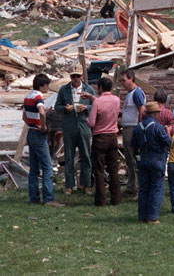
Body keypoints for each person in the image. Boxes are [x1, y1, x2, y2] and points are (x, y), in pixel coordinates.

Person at [23, 74, 64, 207]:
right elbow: (41, 111)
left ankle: (34, 197)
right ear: (43, 85)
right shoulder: (37, 97)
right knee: (47, 167)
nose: (48, 88)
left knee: (34, 168)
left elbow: (24, 116)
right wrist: (43, 126)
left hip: (31, 132)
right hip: (39, 135)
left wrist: (32, 124)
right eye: (47, 85)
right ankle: (48, 198)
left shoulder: (27, 96)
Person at [55, 63, 96, 195]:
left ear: (82, 76)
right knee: (69, 156)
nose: (75, 79)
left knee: (85, 156)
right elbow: (57, 107)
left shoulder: (89, 89)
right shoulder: (64, 90)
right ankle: (69, 185)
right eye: (73, 77)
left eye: (77, 76)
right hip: (69, 127)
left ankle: (86, 184)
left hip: (84, 126)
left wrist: (86, 108)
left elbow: (96, 106)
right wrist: (65, 109)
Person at [131, 101, 172, 223]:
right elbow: (168, 142)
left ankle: (142, 216)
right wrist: (168, 133)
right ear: (155, 114)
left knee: (143, 189)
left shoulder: (138, 127)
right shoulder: (157, 126)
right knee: (157, 188)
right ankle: (152, 217)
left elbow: (133, 144)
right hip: (157, 159)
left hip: (143, 159)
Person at [87, 76, 122, 206]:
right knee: (114, 169)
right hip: (113, 136)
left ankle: (100, 200)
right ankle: (116, 199)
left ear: (100, 88)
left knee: (99, 170)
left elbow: (91, 122)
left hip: (100, 137)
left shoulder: (97, 102)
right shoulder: (116, 100)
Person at [120, 69, 145, 198]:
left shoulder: (137, 93)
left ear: (131, 78)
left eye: (123, 80)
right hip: (127, 128)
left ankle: (138, 188)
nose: (122, 83)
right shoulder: (130, 94)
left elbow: (142, 109)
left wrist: (139, 127)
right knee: (129, 159)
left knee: (135, 159)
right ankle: (131, 186)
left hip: (133, 129)